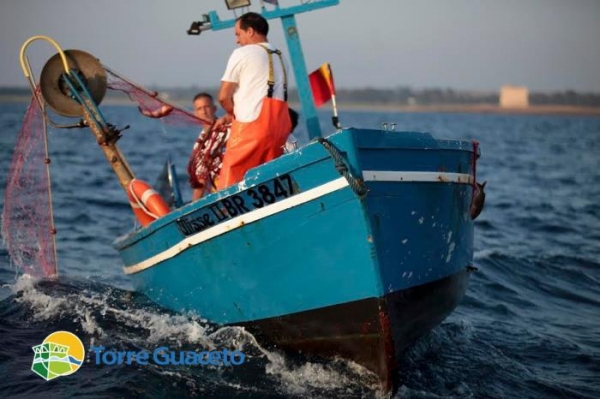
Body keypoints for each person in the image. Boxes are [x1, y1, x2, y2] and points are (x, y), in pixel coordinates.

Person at [213, 12, 292, 189]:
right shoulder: (281, 56)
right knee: (266, 181)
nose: (237, 40)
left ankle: (226, 214)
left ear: (250, 31)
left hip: (250, 130)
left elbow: (223, 96)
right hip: (279, 130)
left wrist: (231, 115)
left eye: (238, 34)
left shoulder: (243, 53)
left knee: (230, 182)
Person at [187, 92, 228, 200]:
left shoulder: (228, 130)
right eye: (199, 109)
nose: (204, 112)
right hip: (216, 195)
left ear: (214, 109)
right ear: (195, 113)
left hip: (231, 186)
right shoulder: (199, 144)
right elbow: (200, 179)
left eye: (206, 107)